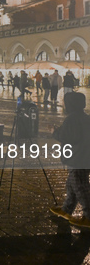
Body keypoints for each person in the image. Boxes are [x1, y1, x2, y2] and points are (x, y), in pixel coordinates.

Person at [50, 92, 90, 228]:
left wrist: (54, 132)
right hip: (84, 157)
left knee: (80, 187)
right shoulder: (85, 117)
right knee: (72, 185)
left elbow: (68, 137)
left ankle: (88, 216)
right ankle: (66, 209)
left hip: (77, 158)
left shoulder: (71, 119)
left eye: (64, 101)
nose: (62, 103)